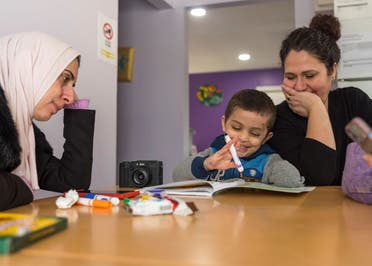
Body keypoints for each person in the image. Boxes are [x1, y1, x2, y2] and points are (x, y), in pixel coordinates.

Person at [268, 14, 372, 186]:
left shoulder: (352, 102)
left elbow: (369, 147)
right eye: (290, 76)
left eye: (310, 75)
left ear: (332, 71)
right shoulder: (279, 118)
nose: (299, 87)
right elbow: (319, 177)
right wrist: (316, 108)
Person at [0, 32, 95, 211]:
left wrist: (77, 111)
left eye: (72, 85)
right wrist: (22, 186)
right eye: (65, 78)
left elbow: (71, 181)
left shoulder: (23, 130)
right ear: (27, 68)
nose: (71, 96)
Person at [172, 89, 305, 188]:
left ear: (265, 138)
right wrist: (206, 164)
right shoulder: (213, 153)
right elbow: (177, 175)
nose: (243, 138)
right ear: (224, 124)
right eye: (236, 128)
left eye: (254, 133)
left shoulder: (269, 162)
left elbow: (294, 184)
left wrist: (280, 169)